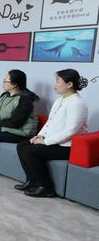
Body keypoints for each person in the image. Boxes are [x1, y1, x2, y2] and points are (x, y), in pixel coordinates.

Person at [15, 69, 89, 197]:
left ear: (69, 84)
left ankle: (45, 186)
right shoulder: (60, 100)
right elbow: (50, 121)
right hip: (56, 142)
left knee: (30, 151)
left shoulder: (77, 103)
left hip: (68, 146)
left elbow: (70, 131)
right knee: (22, 145)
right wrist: (40, 135)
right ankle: (32, 181)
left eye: (58, 82)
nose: (55, 85)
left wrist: (45, 141)